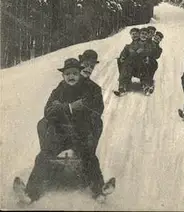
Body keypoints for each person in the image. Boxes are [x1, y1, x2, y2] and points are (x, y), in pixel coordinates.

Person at [17, 58, 114, 205]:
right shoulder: (59, 90)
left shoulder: (89, 89)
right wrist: (66, 108)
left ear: (80, 74)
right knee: (43, 156)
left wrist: (67, 108)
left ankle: (99, 191)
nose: (71, 76)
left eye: (74, 73)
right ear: (63, 76)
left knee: (89, 157)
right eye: (67, 74)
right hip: (60, 134)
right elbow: (48, 111)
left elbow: (93, 109)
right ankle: (31, 193)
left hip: (81, 134)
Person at [37, 50, 103, 153]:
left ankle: (88, 155)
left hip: (83, 127)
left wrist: (67, 107)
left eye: (92, 67)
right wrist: (68, 107)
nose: (89, 69)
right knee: (43, 123)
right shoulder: (62, 86)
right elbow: (49, 108)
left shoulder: (94, 88)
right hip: (62, 125)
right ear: (80, 64)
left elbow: (97, 109)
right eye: (86, 65)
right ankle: (48, 154)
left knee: (97, 122)